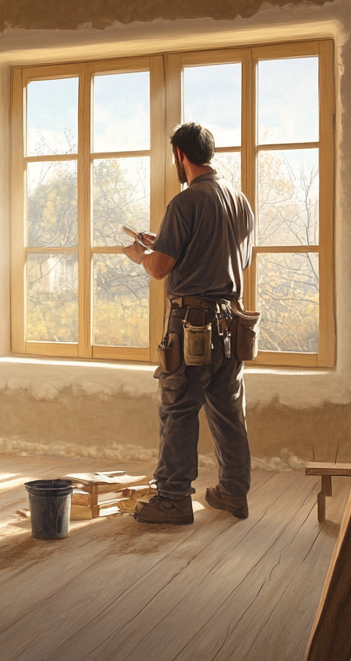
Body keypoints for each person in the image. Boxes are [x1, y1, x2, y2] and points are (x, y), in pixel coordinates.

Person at [122, 122, 255, 525]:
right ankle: (233, 492)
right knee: (228, 409)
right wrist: (163, 239)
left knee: (178, 407)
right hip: (232, 323)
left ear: (180, 155)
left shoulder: (185, 202)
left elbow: (161, 269)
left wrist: (139, 255)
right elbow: (236, 258)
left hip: (192, 322)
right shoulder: (239, 200)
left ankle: (173, 498)